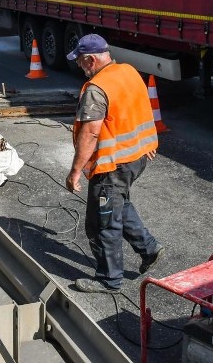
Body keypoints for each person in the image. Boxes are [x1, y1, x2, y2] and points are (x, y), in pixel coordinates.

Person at [65, 34, 163, 293]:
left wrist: (75, 171)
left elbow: (91, 133)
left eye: (80, 61)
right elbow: (139, 109)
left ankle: (110, 280)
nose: (79, 66)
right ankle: (149, 248)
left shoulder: (96, 89)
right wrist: (146, 145)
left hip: (112, 165)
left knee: (102, 221)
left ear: (91, 59)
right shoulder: (129, 71)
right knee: (118, 204)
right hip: (136, 158)